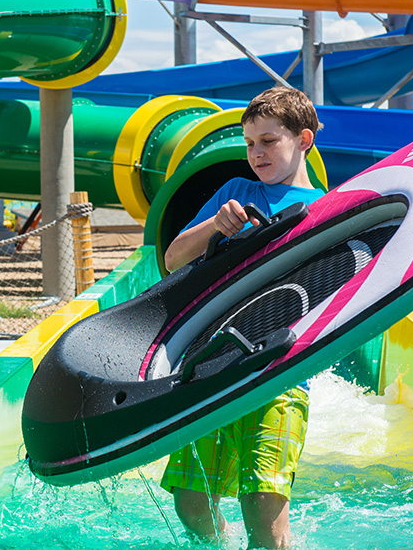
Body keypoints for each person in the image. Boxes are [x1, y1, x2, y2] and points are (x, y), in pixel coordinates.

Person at [160, 86, 323, 549]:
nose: (256, 153)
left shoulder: (327, 209)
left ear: (303, 139)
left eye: (268, 141)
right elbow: (173, 260)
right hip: (210, 366)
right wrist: (216, 225)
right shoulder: (236, 193)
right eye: (250, 143)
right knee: (191, 503)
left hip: (279, 374)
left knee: (263, 515)